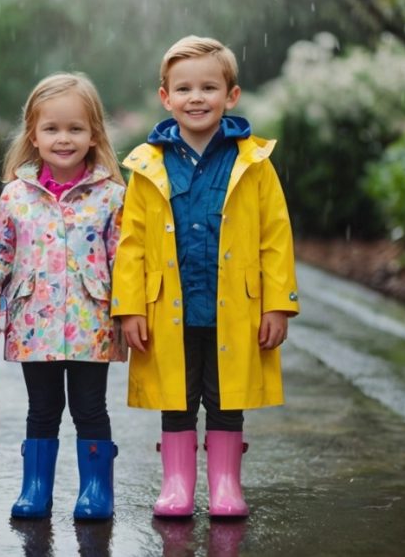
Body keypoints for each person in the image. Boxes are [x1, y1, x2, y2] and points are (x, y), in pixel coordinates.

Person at [111, 36, 300, 518]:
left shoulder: (253, 163)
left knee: (225, 397)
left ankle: (225, 486)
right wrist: (129, 306)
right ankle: (176, 485)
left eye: (209, 88)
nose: (197, 98)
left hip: (233, 305)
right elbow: (130, 244)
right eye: (185, 89)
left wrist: (278, 302)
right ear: (165, 97)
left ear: (231, 96)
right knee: (176, 397)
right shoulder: (147, 166)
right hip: (167, 308)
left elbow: (275, 236)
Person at [0, 73, 127, 520]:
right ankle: (35, 488)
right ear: (34, 136)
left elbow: (125, 257)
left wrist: (132, 310)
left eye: (75, 129)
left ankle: (96, 490)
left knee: (89, 407)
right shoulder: (16, 196)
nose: (64, 139)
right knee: (41, 409)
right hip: (34, 321)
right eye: (52, 129)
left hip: (91, 321)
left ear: (94, 135)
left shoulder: (112, 197)